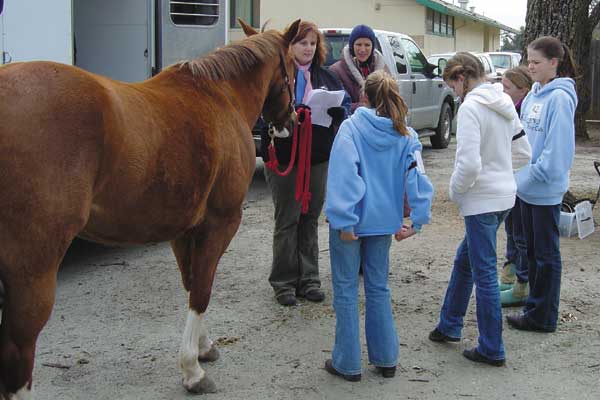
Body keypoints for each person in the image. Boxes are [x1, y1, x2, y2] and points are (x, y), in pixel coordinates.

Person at [324, 70, 433, 381]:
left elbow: (344, 175)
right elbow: (417, 178)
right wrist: (418, 221)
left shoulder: (351, 128)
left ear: (364, 97)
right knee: (378, 287)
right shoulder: (406, 135)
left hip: (352, 224)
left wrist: (344, 221)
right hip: (384, 223)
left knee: (346, 290)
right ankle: (386, 358)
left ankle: (347, 362)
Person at [429, 52, 529, 367]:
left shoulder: (471, 107)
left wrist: (456, 192)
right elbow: (524, 152)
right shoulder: (504, 101)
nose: (454, 92)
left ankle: (491, 347)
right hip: (504, 197)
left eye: (453, 86)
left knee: (483, 272)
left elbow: (469, 164)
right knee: (466, 261)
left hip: (481, 200)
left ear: (461, 78)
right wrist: (501, 173)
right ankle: (449, 324)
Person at [261, 21, 347, 307]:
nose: (308, 48)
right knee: (287, 219)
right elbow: (264, 113)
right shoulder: (276, 76)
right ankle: (283, 282)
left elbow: (343, 109)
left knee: (309, 218)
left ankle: (309, 279)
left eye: (312, 43)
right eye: (302, 43)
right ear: (290, 46)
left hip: (317, 157)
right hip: (284, 157)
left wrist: (337, 113)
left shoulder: (327, 76)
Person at [506, 36, 578, 333]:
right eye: (529, 60)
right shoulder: (534, 95)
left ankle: (543, 316)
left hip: (544, 190)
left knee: (545, 255)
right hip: (525, 188)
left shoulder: (559, 98)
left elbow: (557, 154)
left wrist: (526, 175)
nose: (531, 66)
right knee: (532, 252)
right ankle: (534, 307)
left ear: (553, 63)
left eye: (536, 62)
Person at [499, 66, 534, 307]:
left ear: (523, 90)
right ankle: (508, 276)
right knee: (511, 230)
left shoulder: (523, 112)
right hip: (511, 182)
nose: (502, 92)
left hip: (522, 180)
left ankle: (522, 285)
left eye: (507, 88)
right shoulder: (507, 109)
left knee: (521, 234)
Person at [329, 24, 388, 113]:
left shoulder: (383, 69)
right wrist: (363, 107)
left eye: (367, 45)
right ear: (352, 46)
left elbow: (390, 99)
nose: (362, 49)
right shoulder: (336, 70)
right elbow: (337, 105)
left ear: (372, 47)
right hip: (351, 120)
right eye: (358, 44)